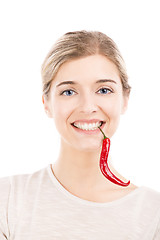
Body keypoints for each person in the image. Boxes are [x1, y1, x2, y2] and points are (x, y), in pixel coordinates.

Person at [0, 30, 160, 239]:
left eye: (103, 90)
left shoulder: (152, 213)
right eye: (69, 92)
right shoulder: (8, 199)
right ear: (46, 104)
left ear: (125, 99)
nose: (87, 107)